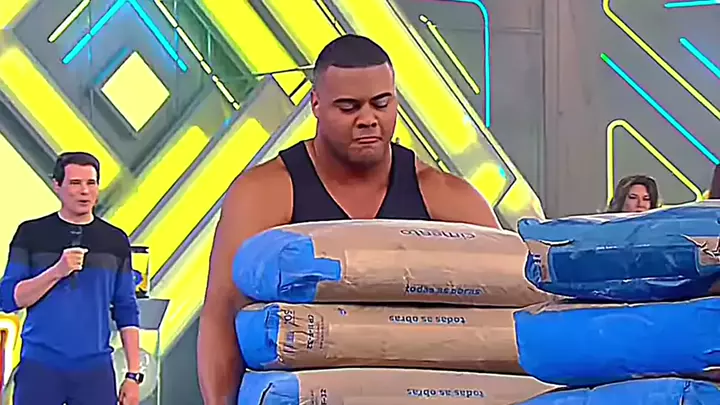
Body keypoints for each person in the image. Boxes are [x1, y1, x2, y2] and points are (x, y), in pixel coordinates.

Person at [197, 34, 501, 404]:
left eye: (381, 104)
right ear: (316, 104)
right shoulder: (265, 193)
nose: (368, 120)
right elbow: (222, 312)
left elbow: (507, 308)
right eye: (348, 107)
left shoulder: (449, 199)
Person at [0, 152, 143, 405]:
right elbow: (9, 299)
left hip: (95, 370)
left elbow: (126, 308)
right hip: (40, 367)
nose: (84, 191)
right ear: (57, 186)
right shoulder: (31, 234)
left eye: (91, 183)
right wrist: (57, 271)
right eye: (75, 183)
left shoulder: (115, 240)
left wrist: (133, 375)